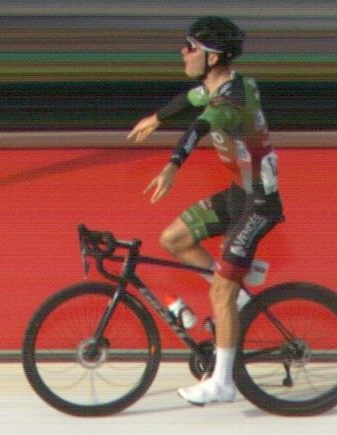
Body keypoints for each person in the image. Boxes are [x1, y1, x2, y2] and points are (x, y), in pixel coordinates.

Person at [124, 16, 284, 406]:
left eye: (191, 47)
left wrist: (172, 166)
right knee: (174, 239)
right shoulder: (218, 85)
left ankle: (223, 383)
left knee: (220, 294)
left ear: (212, 57)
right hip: (239, 193)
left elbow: (198, 127)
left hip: (259, 203)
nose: (183, 52)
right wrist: (155, 119)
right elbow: (190, 100)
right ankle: (238, 287)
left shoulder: (233, 99)